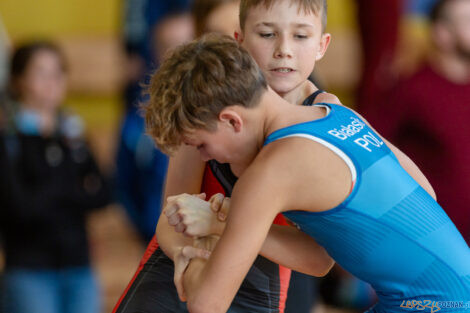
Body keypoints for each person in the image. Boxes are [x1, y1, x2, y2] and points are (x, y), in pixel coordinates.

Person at [147, 34, 470, 313]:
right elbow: (319, 260)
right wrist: (221, 222)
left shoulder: (271, 171)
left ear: (233, 121)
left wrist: (188, 257)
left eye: (201, 145)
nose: (205, 157)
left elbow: (207, 304)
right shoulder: (336, 114)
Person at [113, 0, 336, 312]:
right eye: (266, 34)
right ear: (240, 40)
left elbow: (318, 259)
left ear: (320, 44)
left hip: (267, 279)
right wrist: (187, 262)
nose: (282, 49)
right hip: (185, 267)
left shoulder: (324, 118)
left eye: (299, 36)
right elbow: (171, 213)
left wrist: (221, 223)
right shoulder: (208, 101)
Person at [0, 42, 111, 313]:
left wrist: (51, 188)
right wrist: (72, 187)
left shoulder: (72, 132)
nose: (52, 81)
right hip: (29, 270)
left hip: (79, 265)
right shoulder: (10, 139)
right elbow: (21, 208)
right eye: (41, 72)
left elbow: (104, 192)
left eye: (58, 72)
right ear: (18, 80)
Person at [367, 0, 470, 244]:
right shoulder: (411, 89)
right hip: (432, 241)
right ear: (442, 33)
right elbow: (370, 153)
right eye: (467, 20)